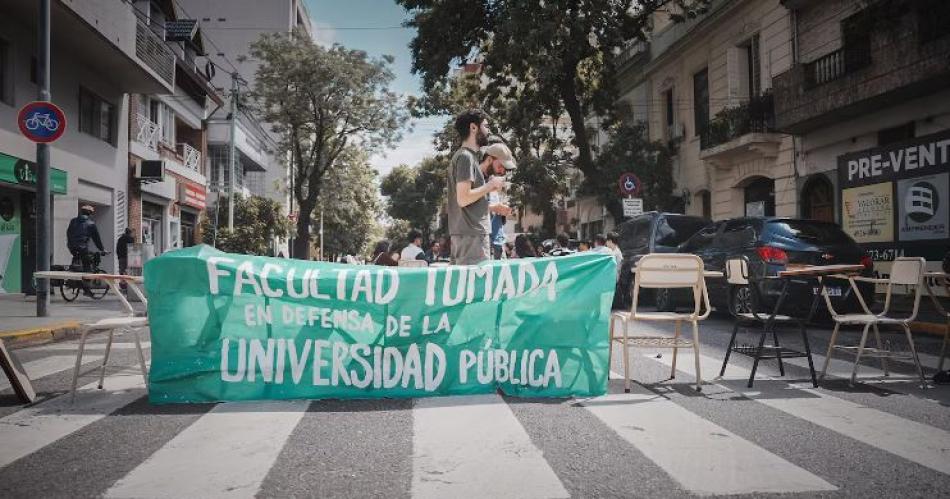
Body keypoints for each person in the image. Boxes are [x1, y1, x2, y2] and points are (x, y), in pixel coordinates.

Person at [446, 109, 506, 265]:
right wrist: (490, 185)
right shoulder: (465, 157)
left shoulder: (467, 157)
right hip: (472, 236)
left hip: (468, 235)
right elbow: (463, 198)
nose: (488, 131)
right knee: (477, 287)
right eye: (485, 126)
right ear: (473, 128)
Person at [483, 142, 517, 259]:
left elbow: (493, 212)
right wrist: (494, 208)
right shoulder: (478, 180)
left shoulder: (494, 184)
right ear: (489, 160)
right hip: (486, 243)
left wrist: (502, 210)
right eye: (500, 166)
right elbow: (468, 207)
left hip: (498, 241)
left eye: (505, 168)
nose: (502, 171)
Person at [66, 205, 105, 296]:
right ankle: (86, 290)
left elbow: (68, 233)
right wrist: (102, 249)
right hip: (82, 247)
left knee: (76, 260)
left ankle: (72, 279)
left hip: (72, 247)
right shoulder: (91, 224)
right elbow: (96, 239)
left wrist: (70, 244)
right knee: (87, 266)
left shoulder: (73, 221)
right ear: (90, 214)